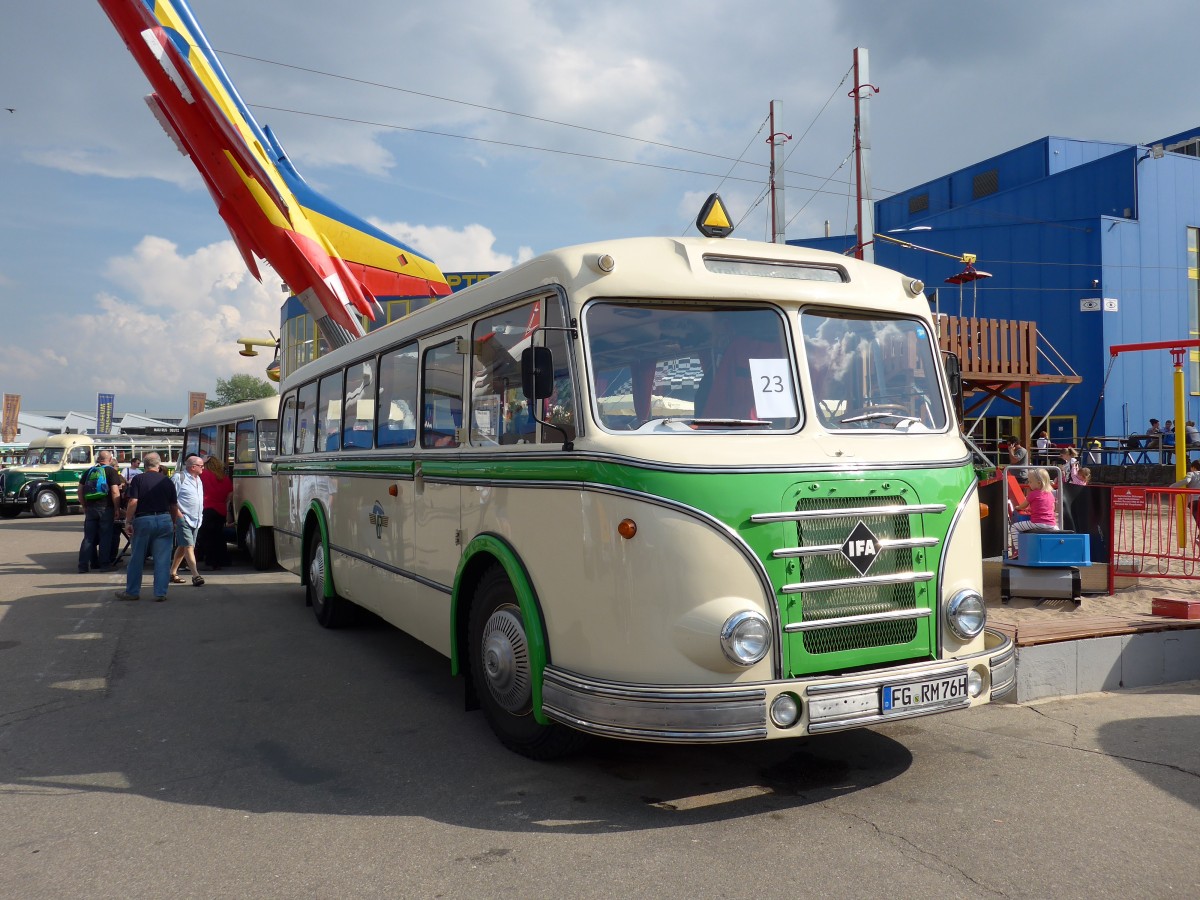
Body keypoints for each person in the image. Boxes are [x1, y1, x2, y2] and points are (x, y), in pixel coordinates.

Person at [114, 452, 177, 601]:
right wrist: (173, 522)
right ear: (159, 464)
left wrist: (128, 521)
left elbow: (133, 502)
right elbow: (173, 505)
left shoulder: (138, 479)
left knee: (137, 557)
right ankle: (160, 592)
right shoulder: (167, 481)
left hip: (144, 520)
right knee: (162, 559)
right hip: (164, 519)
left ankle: (132, 591)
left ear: (144, 465)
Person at [77, 450, 125, 573]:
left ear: (99, 459)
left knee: (88, 538)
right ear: (109, 459)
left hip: (91, 508)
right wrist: (116, 508)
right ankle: (105, 565)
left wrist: (84, 506)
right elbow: (115, 491)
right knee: (105, 537)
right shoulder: (111, 471)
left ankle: (83, 566)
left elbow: (80, 491)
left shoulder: (89, 471)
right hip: (106, 508)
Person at [168, 454, 205, 586]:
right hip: (183, 517)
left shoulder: (198, 479)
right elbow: (171, 499)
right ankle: (195, 575)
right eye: (201, 466)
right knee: (189, 545)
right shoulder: (179, 477)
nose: (203, 468)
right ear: (193, 467)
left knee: (184, 546)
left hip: (196, 518)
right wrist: (179, 515)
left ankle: (172, 573)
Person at [196, 456, 233, 570]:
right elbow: (230, 495)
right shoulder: (224, 478)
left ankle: (211, 560)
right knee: (219, 536)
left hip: (207, 508)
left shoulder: (203, 475)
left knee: (207, 536)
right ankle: (222, 559)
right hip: (220, 510)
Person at [1012, 468, 1059, 534]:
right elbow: (1052, 509)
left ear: (1039, 483)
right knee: (1059, 533)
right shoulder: (1050, 494)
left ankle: (1019, 544)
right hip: (1052, 524)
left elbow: (1023, 506)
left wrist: (1017, 507)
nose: (1029, 484)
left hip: (1037, 523)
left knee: (1014, 527)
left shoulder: (1033, 494)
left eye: (1030, 482)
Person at [1172, 459, 1200, 543]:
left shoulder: (1191, 474)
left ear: (1193, 467)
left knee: (1198, 519)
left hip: (1194, 501)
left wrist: (1172, 486)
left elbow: (1186, 481)